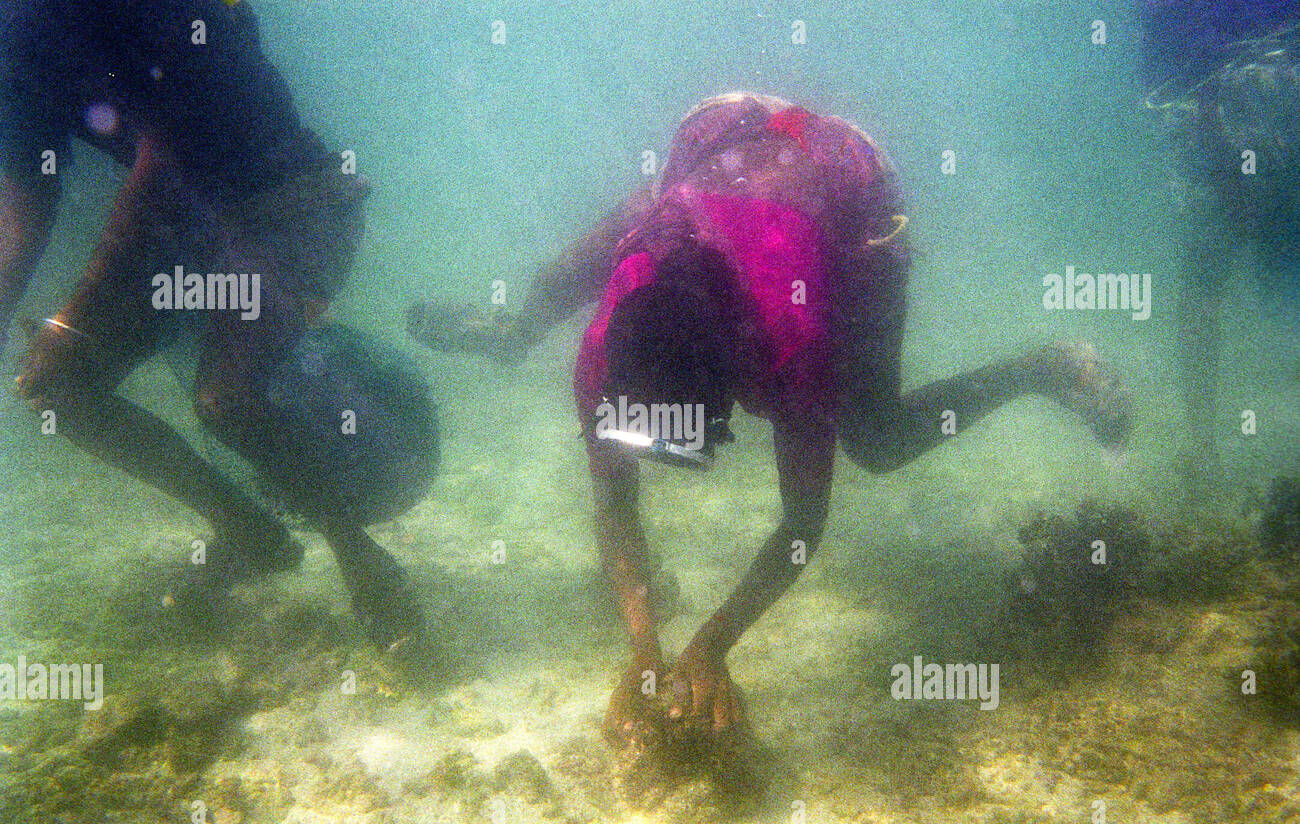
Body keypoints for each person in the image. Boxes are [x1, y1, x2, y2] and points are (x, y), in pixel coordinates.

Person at [409, 92, 1131, 745]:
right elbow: (613, 503)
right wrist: (644, 650)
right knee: (549, 292)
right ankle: (505, 336)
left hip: (844, 187)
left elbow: (800, 527)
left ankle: (1046, 368)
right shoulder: (605, 356)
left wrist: (711, 644)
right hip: (720, 159)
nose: (658, 456)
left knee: (876, 440)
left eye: (680, 441)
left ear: (734, 392)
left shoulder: (795, 345)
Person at [1, 0, 437, 649]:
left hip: (295, 206)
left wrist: (70, 320)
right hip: (188, 229)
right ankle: (248, 530)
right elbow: (25, 198)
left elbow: (171, 150)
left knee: (226, 396)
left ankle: (355, 548)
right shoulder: (12, 35)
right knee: (58, 389)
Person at [1140, 0, 1300, 476]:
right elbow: (1166, 79)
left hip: (1275, 141)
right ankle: (1201, 446)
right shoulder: (1172, 15)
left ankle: (1201, 445)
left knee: (1220, 285)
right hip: (1215, 153)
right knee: (1204, 284)